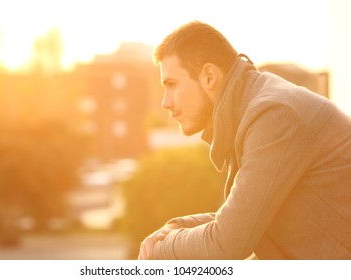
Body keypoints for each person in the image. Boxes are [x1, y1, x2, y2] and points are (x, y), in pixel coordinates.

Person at [138, 21, 351, 260]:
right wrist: (175, 228)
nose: (165, 102)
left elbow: (227, 243)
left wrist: (160, 250)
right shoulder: (253, 109)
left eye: (171, 85)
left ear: (209, 76)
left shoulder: (274, 115)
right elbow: (241, 221)